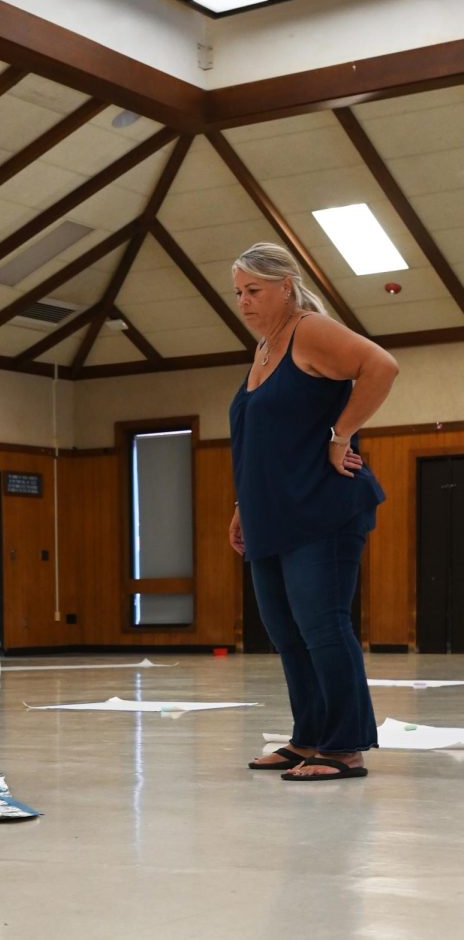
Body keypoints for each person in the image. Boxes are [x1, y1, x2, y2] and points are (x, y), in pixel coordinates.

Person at [229, 242, 398, 782]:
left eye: (254, 290)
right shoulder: (263, 348)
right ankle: (309, 737)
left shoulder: (310, 331)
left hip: (322, 508)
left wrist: (341, 432)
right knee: (286, 631)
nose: (244, 302)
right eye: (238, 293)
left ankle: (345, 746)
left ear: (286, 285)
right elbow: (261, 440)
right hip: (271, 515)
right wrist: (241, 506)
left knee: (323, 626)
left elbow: (381, 366)